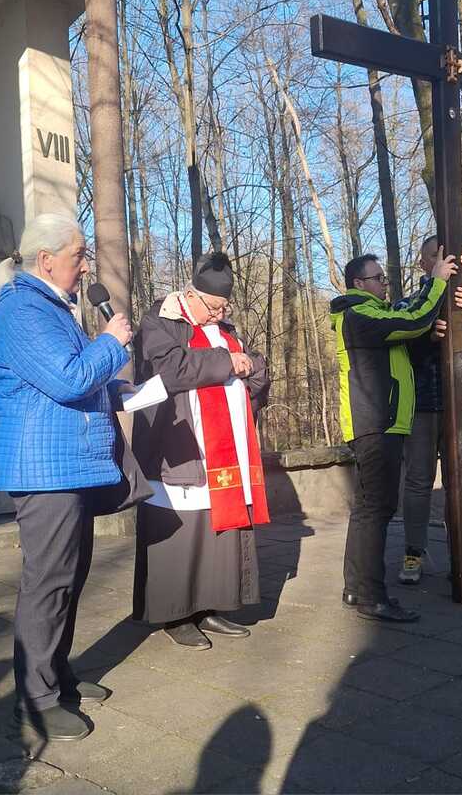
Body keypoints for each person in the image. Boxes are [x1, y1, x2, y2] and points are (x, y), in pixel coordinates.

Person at [0, 214, 132, 742]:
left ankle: (57, 674)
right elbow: (67, 379)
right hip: (43, 469)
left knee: (69, 578)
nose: (86, 266)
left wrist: (119, 391)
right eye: (79, 256)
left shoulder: (50, 307)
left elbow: (70, 375)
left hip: (68, 464)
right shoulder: (22, 309)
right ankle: (35, 701)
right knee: (48, 583)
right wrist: (111, 341)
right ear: (46, 260)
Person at [132, 251, 270, 649]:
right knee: (183, 533)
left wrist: (249, 367)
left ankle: (209, 605)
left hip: (224, 447)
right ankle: (176, 614)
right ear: (191, 295)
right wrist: (229, 362)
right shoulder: (160, 320)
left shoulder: (223, 327)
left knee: (215, 530)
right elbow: (173, 369)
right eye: (213, 307)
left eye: (225, 307)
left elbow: (253, 367)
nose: (219, 314)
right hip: (178, 446)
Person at [330, 247, 456, 623]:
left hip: (379, 422)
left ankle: (356, 589)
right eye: (378, 278)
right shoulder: (359, 313)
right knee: (377, 510)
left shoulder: (371, 314)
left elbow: (406, 340)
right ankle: (372, 597)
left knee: (367, 509)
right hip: (376, 423)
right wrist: (437, 281)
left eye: (384, 278)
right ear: (359, 283)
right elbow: (414, 317)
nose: (385, 284)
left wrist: (428, 335)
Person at [397, 236, 462, 588]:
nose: (444, 262)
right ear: (423, 263)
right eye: (434, 255)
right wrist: (426, 335)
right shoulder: (410, 303)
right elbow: (399, 349)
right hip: (422, 404)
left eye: (449, 256)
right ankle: (413, 552)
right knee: (418, 481)